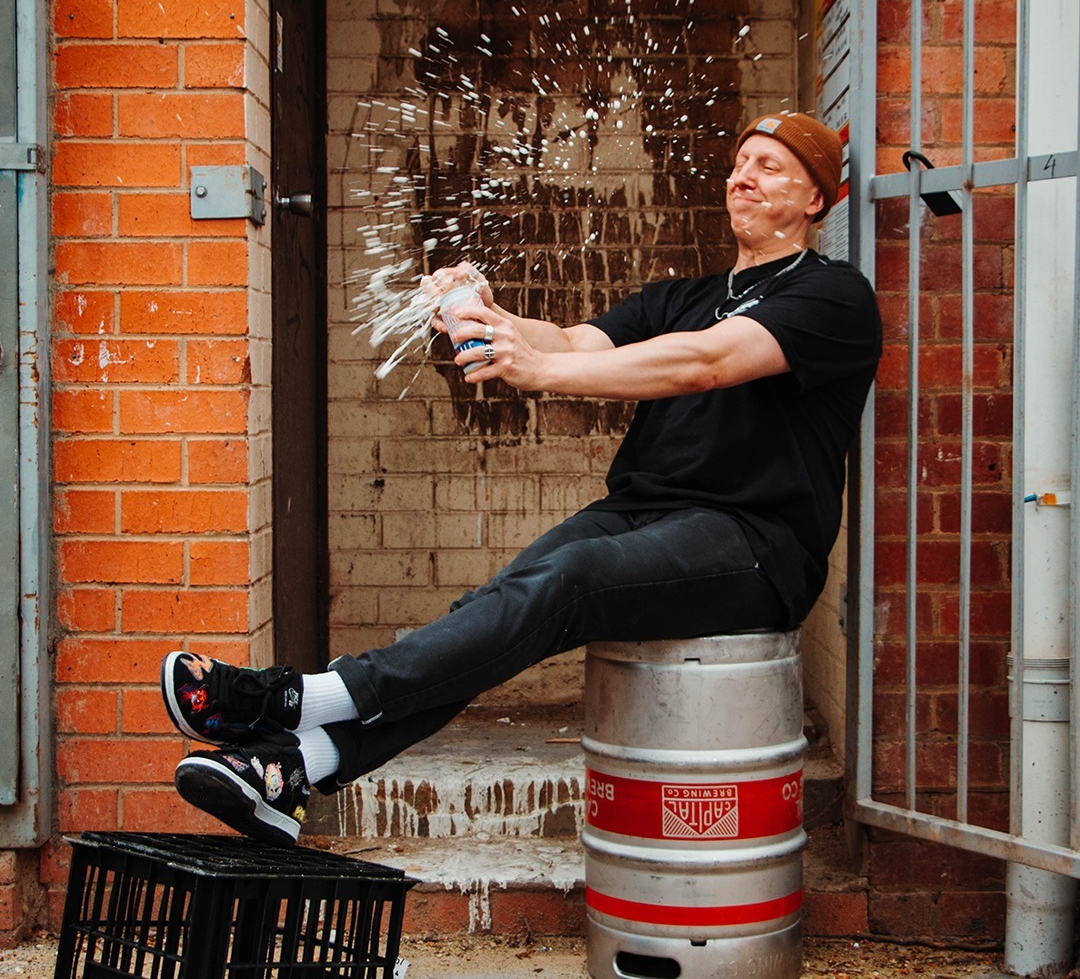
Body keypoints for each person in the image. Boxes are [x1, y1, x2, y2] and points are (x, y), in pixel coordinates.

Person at [161, 112, 881, 846]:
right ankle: (292, 770)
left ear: (817, 199)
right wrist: (480, 311)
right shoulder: (681, 298)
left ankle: (295, 699)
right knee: (498, 607)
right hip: (643, 511)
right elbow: (570, 340)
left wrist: (543, 372)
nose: (743, 177)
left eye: (769, 166)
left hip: (754, 542)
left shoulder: (834, 298)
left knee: (565, 580)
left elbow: (706, 363)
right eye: (739, 162)